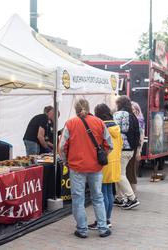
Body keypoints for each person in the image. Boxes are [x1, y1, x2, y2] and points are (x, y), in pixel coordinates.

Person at [59, 99, 113, 238]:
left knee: (78, 198)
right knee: (98, 197)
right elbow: (109, 144)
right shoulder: (99, 122)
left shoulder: (70, 123)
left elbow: (62, 146)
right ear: (89, 108)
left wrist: (66, 161)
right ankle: (103, 228)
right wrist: (102, 156)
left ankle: (82, 230)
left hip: (76, 167)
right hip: (95, 167)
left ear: (76, 109)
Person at [88, 104, 122, 230]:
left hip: (104, 163)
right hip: (114, 163)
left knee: (102, 194)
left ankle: (102, 220)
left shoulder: (101, 126)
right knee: (108, 193)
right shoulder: (116, 126)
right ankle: (107, 219)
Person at [113, 96, 140, 210]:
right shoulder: (132, 116)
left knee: (119, 174)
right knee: (120, 173)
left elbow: (113, 130)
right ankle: (119, 198)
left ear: (120, 104)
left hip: (121, 149)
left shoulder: (118, 114)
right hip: (130, 150)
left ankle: (132, 198)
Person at [126, 101, 145, 193]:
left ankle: (132, 194)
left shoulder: (139, 121)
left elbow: (141, 138)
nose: (132, 111)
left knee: (132, 173)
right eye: (131, 109)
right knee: (130, 172)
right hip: (132, 149)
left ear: (138, 111)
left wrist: (138, 151)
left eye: (134, 109)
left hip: (135, 149)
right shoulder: (134, 120)